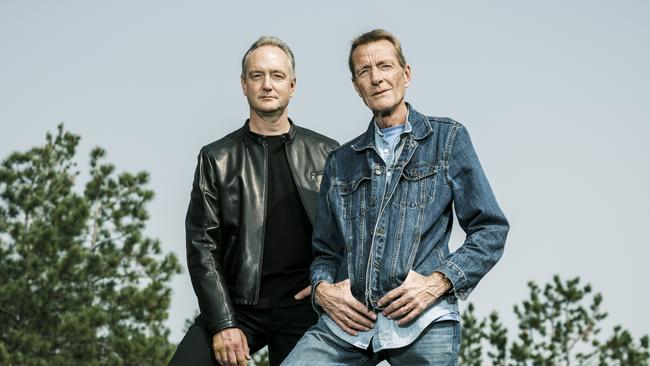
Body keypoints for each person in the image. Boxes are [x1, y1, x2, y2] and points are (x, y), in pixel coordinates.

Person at [282, 29, 509, 366]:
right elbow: (325, 253)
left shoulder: (447, 139)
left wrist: (438, 283)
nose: (376, 78)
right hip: (349, 325)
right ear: (357, 86)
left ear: (406, 74)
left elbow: (490, 229)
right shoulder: (341, 162)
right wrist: (322, 291)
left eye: (385, 66)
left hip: (422, 320)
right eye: (364, 71)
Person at [169, 36, 339, 366]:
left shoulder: (328, 153)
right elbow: (202, 246)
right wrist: (223, 324)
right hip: (238, 306)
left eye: (276, 75)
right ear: (244, 85)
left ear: (292, 85)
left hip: (305, 305)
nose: (267, 84)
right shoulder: (216, 157)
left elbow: (350, 235)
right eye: (257, 75)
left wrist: (331, 287)